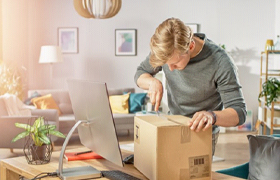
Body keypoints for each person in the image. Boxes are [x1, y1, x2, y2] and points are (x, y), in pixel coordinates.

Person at [134, 17, 246, 155]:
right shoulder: (166, 50)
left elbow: (239, 112)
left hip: (202, 133)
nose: (170, 69)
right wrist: (151, 82)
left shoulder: (220, 62)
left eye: (175, 63)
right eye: (166, 64)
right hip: (172, 126)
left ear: (191, 46)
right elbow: (140, 73)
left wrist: (211, 116)